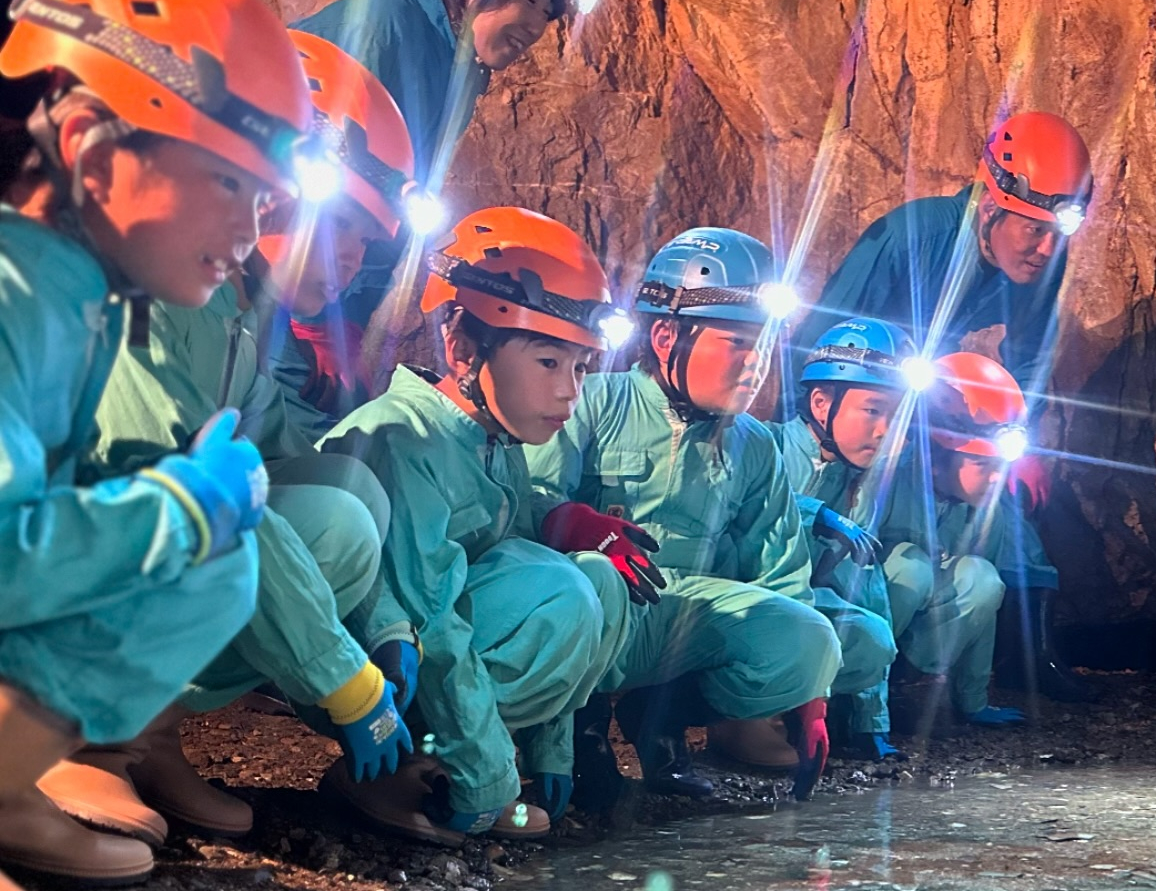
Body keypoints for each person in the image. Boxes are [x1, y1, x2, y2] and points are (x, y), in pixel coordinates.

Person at [0, 0, 314, 891]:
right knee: (191, 541)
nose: (253, 231)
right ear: (94, 145)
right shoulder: (16, 297)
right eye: (230, 184)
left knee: (210, 558)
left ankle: (11, 785)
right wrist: (175, 506)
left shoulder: (73, 292)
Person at [319, 207, 637, 843]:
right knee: (563, 591)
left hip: (432, 657)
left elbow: (502, 565)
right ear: (463, 348)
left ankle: (452, 755)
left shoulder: (489, 442)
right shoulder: (407, 441)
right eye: (549, 362)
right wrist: (489, 782)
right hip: (362, 667)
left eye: (579, 369)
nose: (570, 392)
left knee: (599, 580)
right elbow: (429, 622)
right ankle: (404, 768)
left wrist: (552, 753)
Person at [528, 226, 842, 805]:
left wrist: (808, 693)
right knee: (590, 585)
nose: (758, 366)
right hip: (592, 605)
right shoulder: (592, 401)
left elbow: (782, 572)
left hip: (676, 612)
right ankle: (580, 731)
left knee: (810, 639)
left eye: (767, 347)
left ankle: (660, 719)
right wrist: (572, 524)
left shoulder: (754, 445)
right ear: (668, 336)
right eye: (740, 344)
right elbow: (530, 498)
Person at [820, 110, 1095, 699]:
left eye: (1058, 234)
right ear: (992, 206)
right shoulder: (911, 238)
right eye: (1033, 230)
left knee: (1002, 504)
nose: (1046, 249)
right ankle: (843, 675)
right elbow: (819, 341)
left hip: (925, 404)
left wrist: (1021, 441)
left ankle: (1028, 656)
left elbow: (1030, 357)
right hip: (854, 408)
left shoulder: (1037, 258)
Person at [292, 0, 594, 328]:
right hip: (286, 291)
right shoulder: (383, 24)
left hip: (339, 298)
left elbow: (385, 197)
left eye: (548, 14)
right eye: (530, 0)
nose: (536, 28)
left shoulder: (459, 69)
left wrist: (347, 318)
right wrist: (306, 321)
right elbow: (298, 158)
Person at [762, 318, 913, 762]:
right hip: (739, 615)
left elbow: (867, 591)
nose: (885, 429)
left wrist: (873, 722)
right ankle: (748, 720)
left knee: (873, 635)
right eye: (873, 410)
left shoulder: (856, 483)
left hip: (799, 620)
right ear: (821, 403)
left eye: (894, 414)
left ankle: (818, 713)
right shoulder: (762, 447)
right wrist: (818, 514)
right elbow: (761, 504)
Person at [261, 30, 417, 442]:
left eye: (366, 240)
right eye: (338, 223)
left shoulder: (248, 325)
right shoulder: (179, 312)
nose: (353, 258)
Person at [876, 352, 1027, 738]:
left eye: (1002, 468)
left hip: (907, 636)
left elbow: (986, 605)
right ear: (935, 461)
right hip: (861, 621)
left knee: (984, 577)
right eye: (984, 467)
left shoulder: (986, 515)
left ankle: (898, 680)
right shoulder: (885, 481)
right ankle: (855, 691)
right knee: (910, 566)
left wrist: (974, 702)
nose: (997, 480)